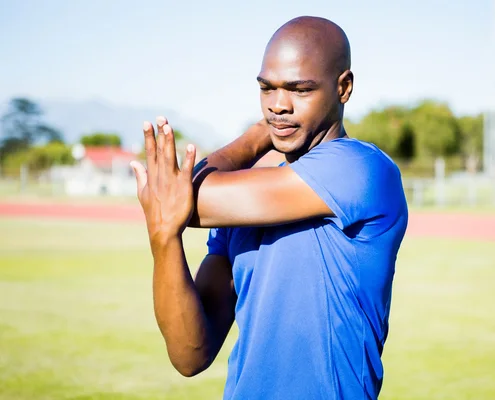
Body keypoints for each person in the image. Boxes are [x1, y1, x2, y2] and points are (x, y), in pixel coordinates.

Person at [130, 15, 409, 400]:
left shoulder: (360, 169)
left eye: (300, 90)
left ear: (343, 88)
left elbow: (184, 199)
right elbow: (189, 355)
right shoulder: (243, 208)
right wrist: (164, 238)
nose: (278, 105)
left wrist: (256, 137)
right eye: (267, 89)